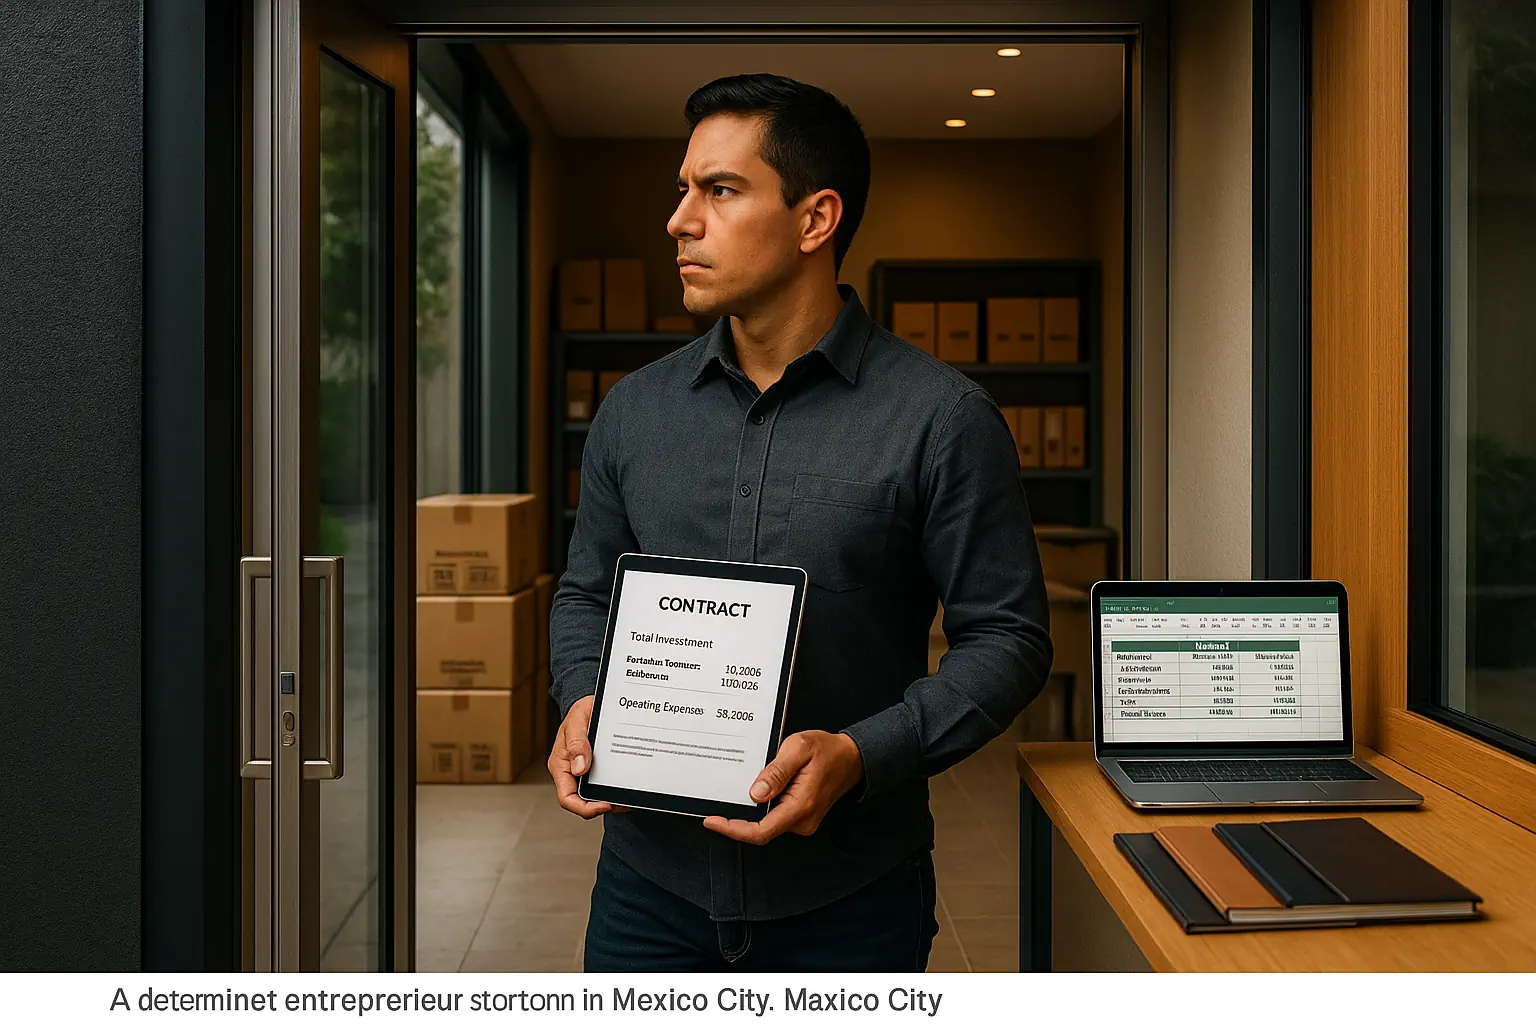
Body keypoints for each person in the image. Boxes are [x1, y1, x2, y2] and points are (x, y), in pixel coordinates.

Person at [547, 73, 1053, 972]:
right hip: (647, 895)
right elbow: (587, 593)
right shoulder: (634, 413)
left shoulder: (942, 420)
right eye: (683, 189)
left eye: (721, 190)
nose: (680, 220)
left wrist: (863, 753)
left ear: (816, 219)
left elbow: (1008, 638)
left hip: (851, 901)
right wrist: (585, 697)